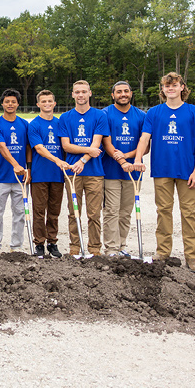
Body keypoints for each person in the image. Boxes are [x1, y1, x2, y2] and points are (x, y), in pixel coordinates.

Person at [128, 72, 195, 274]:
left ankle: (192, 256)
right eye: (166, 86)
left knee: (188, 213)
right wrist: (137, 159)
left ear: (182, 87)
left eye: (174, 85)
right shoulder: (154, 112)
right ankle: (163, 252)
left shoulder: (194, 112)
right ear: (162, 90)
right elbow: (145, 138)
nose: (170, 88)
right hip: (162, 169)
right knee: (163, 211)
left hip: (187, 170)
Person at [58, 80, 108, 256]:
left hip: (94, 173)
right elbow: (66, 146)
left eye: (84, 92)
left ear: (90, 93)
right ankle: (75, 247)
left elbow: (97, 143)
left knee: (94, 214)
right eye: (77, 92)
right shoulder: (65, 117)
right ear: (72, 94)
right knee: (74, 212)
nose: (80, 95)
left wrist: (83, 161)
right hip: (72, 172)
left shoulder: (99, 116)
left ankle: (94, 249)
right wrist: (88, 152)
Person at [102, 81, 147, 257]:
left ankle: (121, 246)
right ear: (113, 95)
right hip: (111, 171)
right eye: (119, 91)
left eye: (126, 91)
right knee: (111, 211)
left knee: (126, 212)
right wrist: (119, 159)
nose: (123, 94)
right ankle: (111, 249)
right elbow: (106, 143)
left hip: (133, 172)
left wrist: (127, 157)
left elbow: (146, 145)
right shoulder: (105, 114)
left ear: (131, 93)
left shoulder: (141, 115)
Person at [27, 89, 70, 258]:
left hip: (57, 175)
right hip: (40, 174)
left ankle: (52, 242)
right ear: (38, 104)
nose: (47, 104)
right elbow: (39, 148)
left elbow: (66, 147)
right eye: (43, 101)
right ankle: (39, 243)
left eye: (49, 101)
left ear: (54, 103)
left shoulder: (61, 123)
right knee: (39, 211)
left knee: (54, 210)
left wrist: (65, 164)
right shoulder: (34, 125)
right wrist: (57, 160)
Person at [0, 89, 30, 252]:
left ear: (18, 104)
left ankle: (16, 245)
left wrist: (28, 168)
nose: (10, 104)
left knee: (20, 213)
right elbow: (1, 146)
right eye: (7, 102)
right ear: (2, 104)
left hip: (21, 178)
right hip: (1, 176)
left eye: (13, 101)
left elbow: (28, 147)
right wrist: (15, 165)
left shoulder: (24, 124)